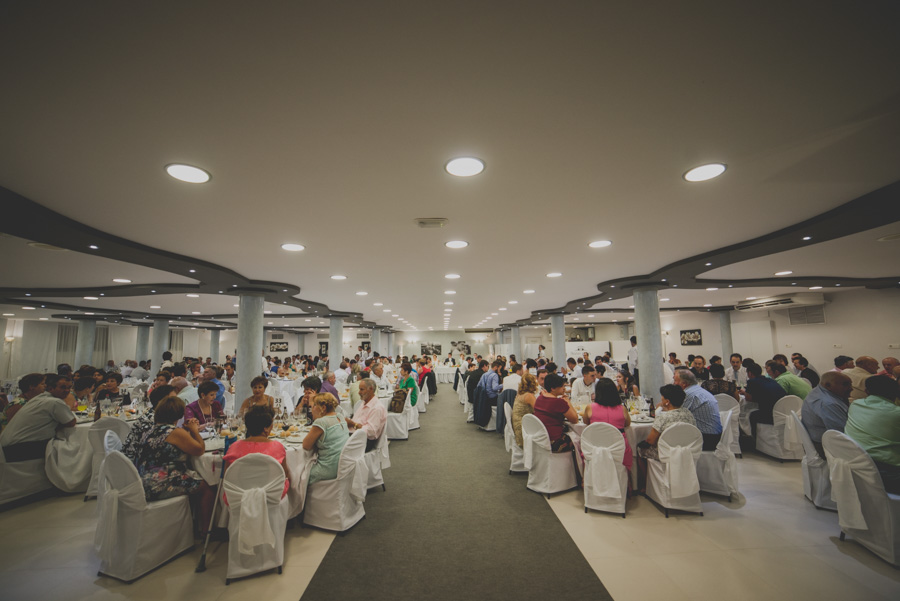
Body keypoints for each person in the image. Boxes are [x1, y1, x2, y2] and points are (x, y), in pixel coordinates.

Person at [132, 395, 214, 535]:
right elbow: (199, 450)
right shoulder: (174, 432)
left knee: (193, 478)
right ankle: (206, 531)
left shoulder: (151, 430)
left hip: (141, 480)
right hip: (158, 484)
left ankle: (194, 522)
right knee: (207, 488)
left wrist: (186, 432)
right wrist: (194, 430)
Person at [844, 376, 900, 494]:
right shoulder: (895, 413)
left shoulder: (855, 405)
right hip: (888, 474)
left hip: (856, 467)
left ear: (866, 391)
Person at [0, 374, 76, 462]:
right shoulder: (54, 402)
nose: (67, 390)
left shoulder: (37, 399)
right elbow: (71, 422)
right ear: (50, 388)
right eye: (63, 387)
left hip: (6, 447)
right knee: (73, 451)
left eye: (69, 387)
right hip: (18, 449)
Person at [636, 384, 696, 491]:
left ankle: (645, 486)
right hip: (687, 450)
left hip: (666, 453)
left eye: (662, 397)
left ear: (667, 401)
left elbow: (650, 440)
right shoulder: (689, 414)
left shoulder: (663, 417)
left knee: (640, 449)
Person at [223, 405, 290, 498]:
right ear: (266, 428)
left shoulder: (234, 447)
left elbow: (227, 477)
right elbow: (284, 474)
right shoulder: (277, 447)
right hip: (271, 497)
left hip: (238, 498)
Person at [533, 373, 581, 481]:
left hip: (541, 438)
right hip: (555, 442)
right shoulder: (558, 402)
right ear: (553, 388)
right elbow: (575, 419)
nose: (564, 389)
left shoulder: (540, 398)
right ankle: (577, 476)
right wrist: (568, 402)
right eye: (562, 387)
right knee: (580, 440)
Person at [582, 378, 632, 471]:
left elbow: (585, 422)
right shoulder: (622, 409)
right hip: (619, 450)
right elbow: (627, 424)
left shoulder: (590, 408)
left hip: (595, 448)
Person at [801, 372, 852, 458]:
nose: (851, 388)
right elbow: (842, 433)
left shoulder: (817, 391)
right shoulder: (828, 403)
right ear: (828, 385)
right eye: (845, 385)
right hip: (825, 446)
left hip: (816, 439)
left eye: (851, 384)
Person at [303, 393, 350, 485]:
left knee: (298, 475)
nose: (312, 409)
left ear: (323, 408)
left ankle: (300, 499)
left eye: (314, 405)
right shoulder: (339, 416)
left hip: (327, 469)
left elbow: (306, 446)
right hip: (343, 466)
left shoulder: (321, 422)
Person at [672, 368, 722, 450]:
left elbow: (676, 415)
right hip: (714, 434)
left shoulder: (688, 394)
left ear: (684, 383)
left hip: (706, 438)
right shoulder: (698, 390)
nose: (674, 383)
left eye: (675, 381)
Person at [122, 384, 175, 462]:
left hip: (133, 457)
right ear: (161, 402)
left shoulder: (152, 413)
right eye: (173, 400)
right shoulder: (155, 421)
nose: (177, 402)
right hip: (137, 462)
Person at [744, 362, 787, 438]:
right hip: (784, 412)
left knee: (752, 415)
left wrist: (744, 393)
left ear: (750, 373)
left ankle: (755, 438)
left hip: (771, 415)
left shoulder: (752, 381)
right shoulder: (770, 380)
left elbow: (748, 398)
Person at [345, 379, 387, 452]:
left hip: (364, 441)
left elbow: (371, 432)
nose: (359, 392)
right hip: (356, 436)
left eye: (362, 389)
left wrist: (353, 424)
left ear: (370, 389)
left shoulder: (376, 408)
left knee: (334, 445)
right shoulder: (364, 403)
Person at [511, 373, 538, 448]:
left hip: (519, 428)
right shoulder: (529, 396)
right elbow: (539, 411)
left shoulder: (520, 394)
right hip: (524, 431)